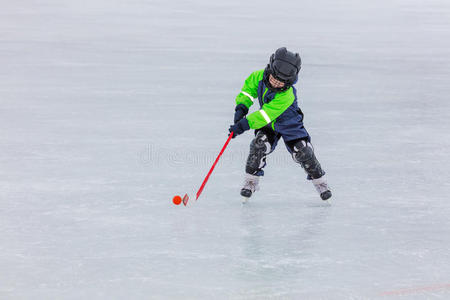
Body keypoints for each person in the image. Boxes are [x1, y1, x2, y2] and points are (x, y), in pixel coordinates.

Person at [228, 47, 332, 201]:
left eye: (281, 82)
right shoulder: (258, 77)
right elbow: (248, 91)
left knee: (303, 152)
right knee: (258, 145)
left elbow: (266, 114)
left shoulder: (286, 95)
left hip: (290, 125)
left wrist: (244, 124)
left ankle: (320, 182)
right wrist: (241, 107)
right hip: (269, 126)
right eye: (274, 78)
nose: (276, 83)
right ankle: (250, 181)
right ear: (270, 69)